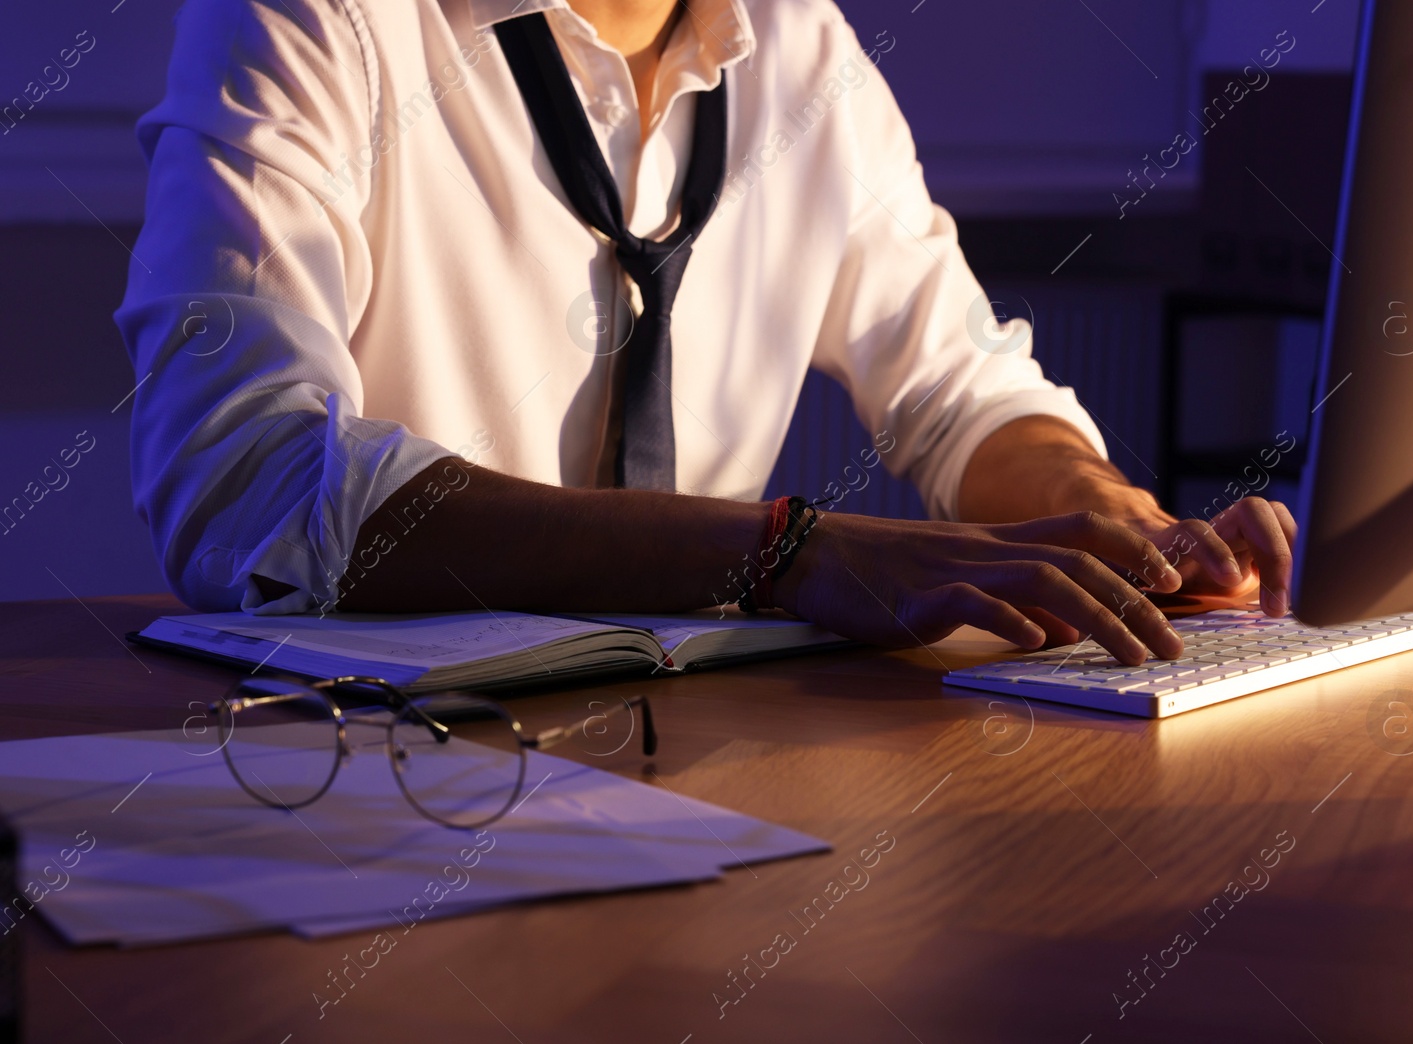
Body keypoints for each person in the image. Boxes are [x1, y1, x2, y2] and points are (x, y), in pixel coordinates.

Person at [115, 0, 1296, 666]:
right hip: (364, 782)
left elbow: (962, 390)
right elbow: (243, 479)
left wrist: (1117, 523)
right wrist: (783, 551)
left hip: (689, 762)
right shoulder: (311, 19)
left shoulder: (801, 47)